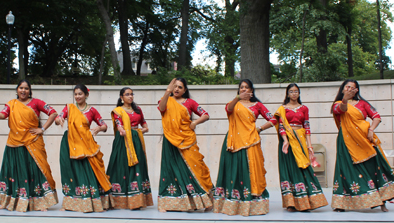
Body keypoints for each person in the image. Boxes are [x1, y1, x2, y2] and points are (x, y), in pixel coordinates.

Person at [331, 79, 394, 212]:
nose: (349, 89)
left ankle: (381, 200)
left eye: (352, 88)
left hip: (365, 139)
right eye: (347, 87)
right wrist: (345, 100)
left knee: (374, 168)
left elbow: (376, 116)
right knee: (346, 170)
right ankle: (341, 203)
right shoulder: (337, 104)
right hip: (347, 141)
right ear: (343, 89)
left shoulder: (363, 104)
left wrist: (371, 130)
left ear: (356, 90)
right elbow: (341, 110)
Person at [0, 79, 58, 212]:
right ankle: (8, 202)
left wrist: (42, 129)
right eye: (21, 88)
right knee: (13, 172)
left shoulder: (37, 102)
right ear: (17, 90)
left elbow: (53, 113)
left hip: (32, 142)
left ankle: (40, 202)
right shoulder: (11, 104)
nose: (23, 91)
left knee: (37, 171)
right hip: (14, 143)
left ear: (30, 91)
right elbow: (2, 115)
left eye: (26, 88)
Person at [213, 79, 275, 216]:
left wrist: (259, 129)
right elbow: (228, 109)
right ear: (238, 90)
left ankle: (252, 203)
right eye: (242, 87)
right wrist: (237, 98)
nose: (244, 89)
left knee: (251, 171)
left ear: (251, 91)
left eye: (247, 87)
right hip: (234, 142)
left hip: (251, 142)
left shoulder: (257, 105)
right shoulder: (234, 104)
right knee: (233, 172)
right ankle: (232, 203)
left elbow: (274, 119)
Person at [157, 78, 214, 212]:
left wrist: (195, 123)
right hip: (170, 141)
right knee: (171, 171)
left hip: (187, 140)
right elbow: (161, 108)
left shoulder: (190, 103)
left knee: (197, 168)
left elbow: (205, 115)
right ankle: (173, 203)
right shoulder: (166, 99)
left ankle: (207, 200)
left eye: (180, 87)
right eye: (175, 87)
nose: (177, 89)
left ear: (185, 90)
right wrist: (167, 91)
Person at [54, 84, 111, 212]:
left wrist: (99, 128)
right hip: (70, 142)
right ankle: (71, 202)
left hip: (86, 143)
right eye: (75, 94)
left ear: (86, 95)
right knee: (70, 171)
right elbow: (59, 117)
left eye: (80, 94)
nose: (77, 96)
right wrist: (59, 120)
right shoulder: (69, 108)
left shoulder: (92, 111)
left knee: (88, 170)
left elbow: (104, 125)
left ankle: (92, 201)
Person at [274, 83, 328, 212]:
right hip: (287, 142)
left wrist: (309, 146)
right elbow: (281, 127)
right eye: (291, 91)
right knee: (289, 170)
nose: (294, 93)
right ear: (287, 94)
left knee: (304, 168)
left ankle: (308, 201)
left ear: (299, 93)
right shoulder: (282, 109)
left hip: (300, 141)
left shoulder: (304, 108)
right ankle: (291, 203)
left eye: (296, 91)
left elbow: (307, 127)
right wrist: (285, 141)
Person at [107, 87, 153, 210]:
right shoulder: (118, 111)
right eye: (127, 94)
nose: (130, 96)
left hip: (136, 141)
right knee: (120, 167)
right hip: (122, 142)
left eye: (132, 94)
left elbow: (145, 126)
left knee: (137, 167)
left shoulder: (138, 110)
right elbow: (119, 125)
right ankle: (116, 199)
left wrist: (138, 131)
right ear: (121, 97)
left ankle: (136, 200)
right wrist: (123, 130)